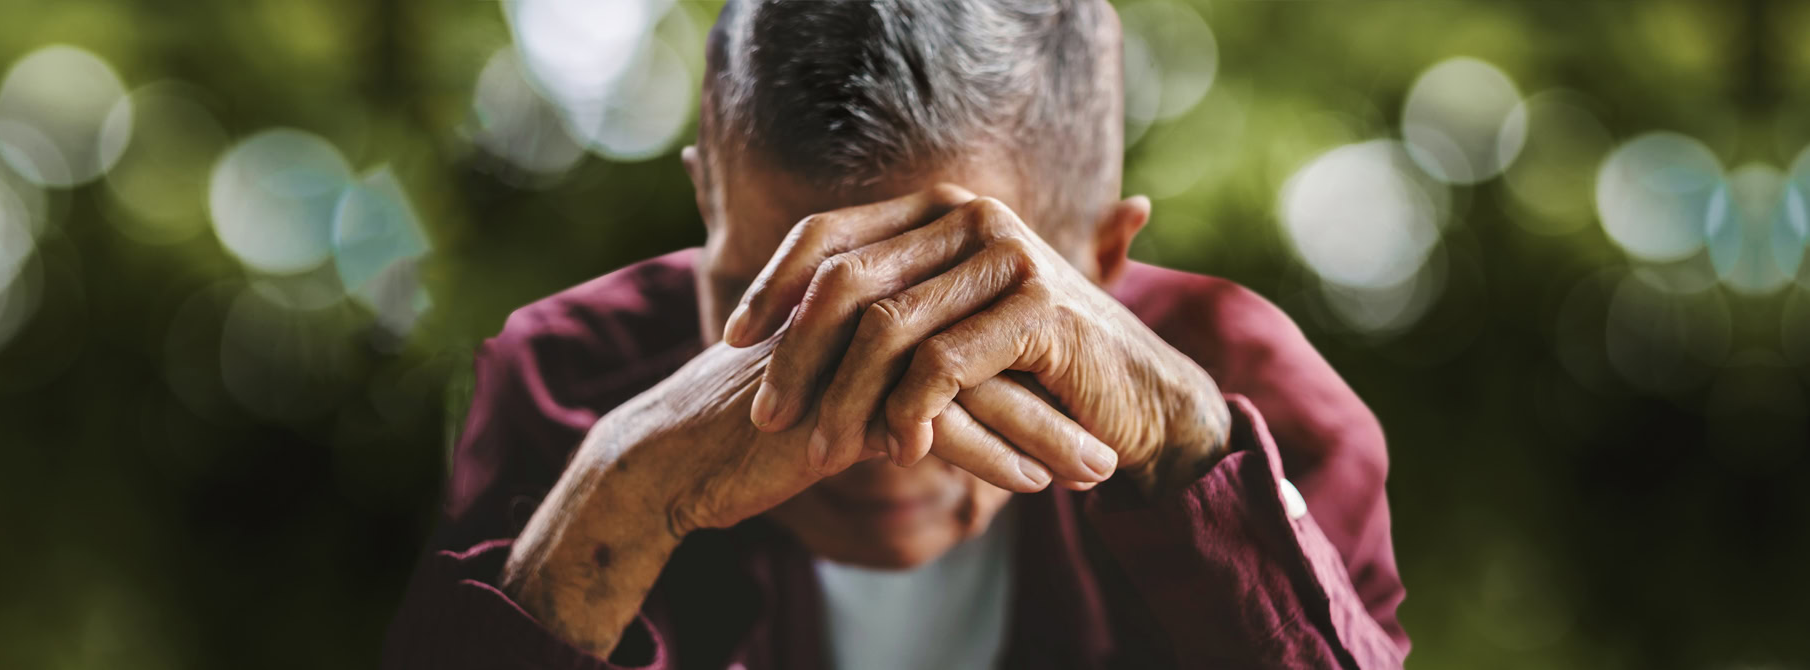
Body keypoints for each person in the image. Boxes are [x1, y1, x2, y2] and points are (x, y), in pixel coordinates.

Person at [385, 0, 1408, 667]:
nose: (868, 437)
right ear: (706, 205)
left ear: (1099, 264)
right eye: (777, 310)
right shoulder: (566, 385)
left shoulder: (1260, 409)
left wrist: (1190, 457)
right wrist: (614, 501)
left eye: (958, 313)